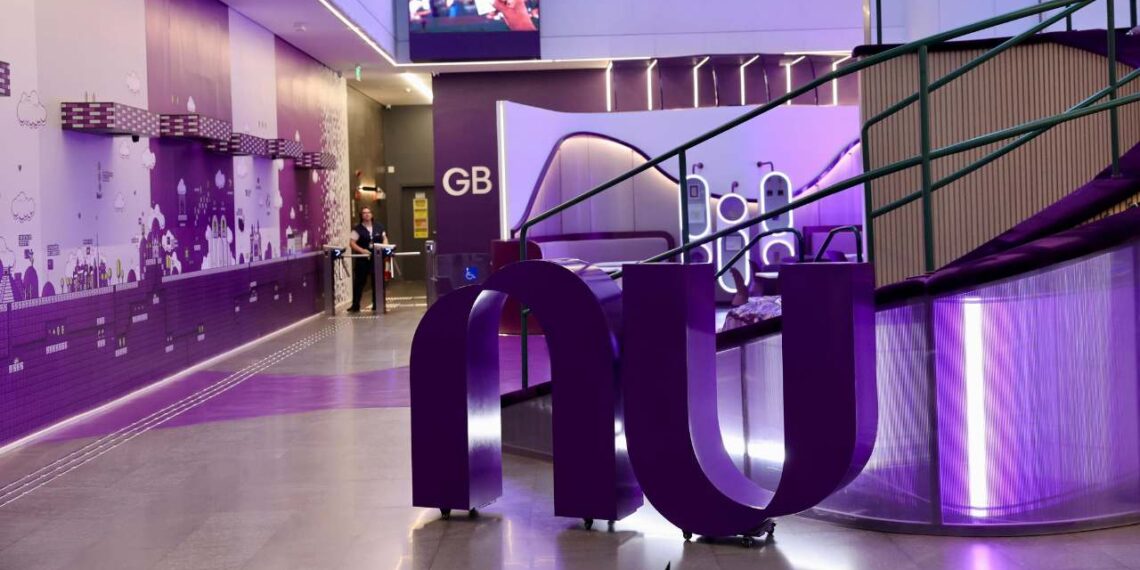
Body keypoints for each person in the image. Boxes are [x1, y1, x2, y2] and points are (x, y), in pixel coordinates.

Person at [348, 207, 388, 313]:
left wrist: (384, 247)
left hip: (377, 258)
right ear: (361, 215)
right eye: (364, 213)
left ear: (372, 214)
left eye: (368, 212)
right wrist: (362, 251)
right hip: (363, 259)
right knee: (359, 282)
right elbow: (352, 243)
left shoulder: (379, 227)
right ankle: (355, 305)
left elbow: (384, 238)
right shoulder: (357, 229)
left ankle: (377, 304)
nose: (366, 214)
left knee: (378, 281)